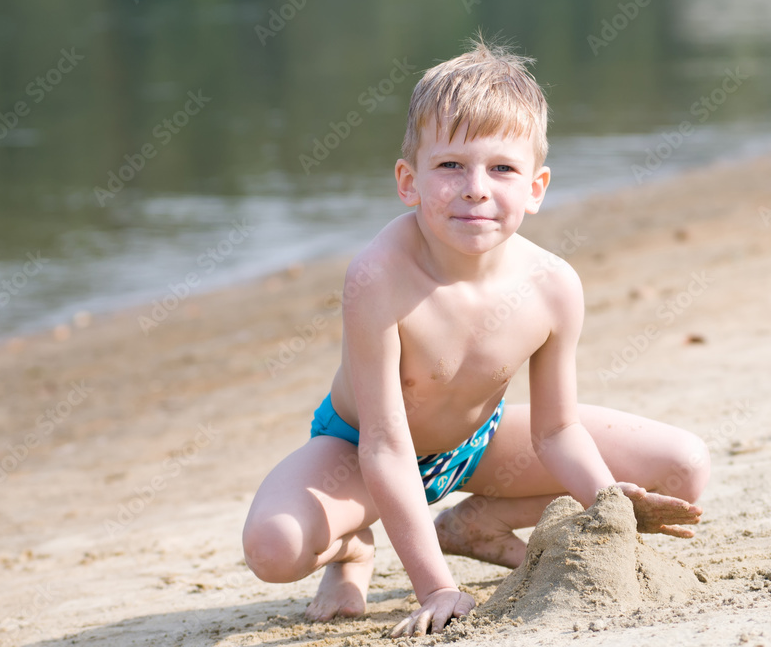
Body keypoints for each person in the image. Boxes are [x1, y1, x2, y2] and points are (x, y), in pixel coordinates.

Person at [242, 38, 710, 638]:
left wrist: (607, 506)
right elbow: (384, 445)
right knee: (274, 548)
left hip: (477, 443)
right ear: (409, 181)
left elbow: (556, 430)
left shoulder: (553, 286)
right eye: (451, 165)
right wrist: (435, 588)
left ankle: (472, 525)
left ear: (536, 187)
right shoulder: (378, 277)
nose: (476, 188)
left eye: (503, 168)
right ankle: (351, 549)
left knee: (682, 469)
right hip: (358, 451)